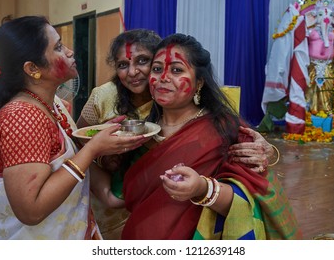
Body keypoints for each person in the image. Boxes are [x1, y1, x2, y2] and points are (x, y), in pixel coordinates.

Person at [78, 29, 279, 239]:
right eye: (157, 69)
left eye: (176, 70)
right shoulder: (143, 133)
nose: (163, 78)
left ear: (199, 82)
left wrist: (202, 188)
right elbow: (113, 198)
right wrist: (92, 150)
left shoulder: (223, 128)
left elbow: (253, 200)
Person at [0, 16, 146, 240]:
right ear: (32, 68)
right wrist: (92, 149)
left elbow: (60, 161)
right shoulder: (22, 117)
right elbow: (31, 211)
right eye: (58, 47)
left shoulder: (51, 104)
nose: (70, 51)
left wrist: (96, 139)